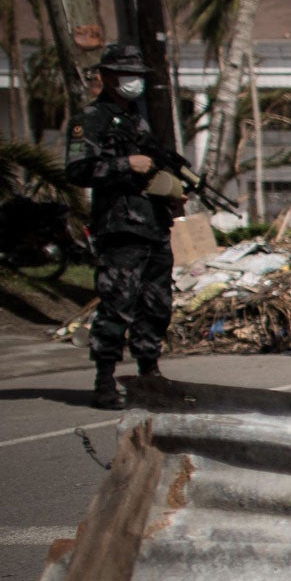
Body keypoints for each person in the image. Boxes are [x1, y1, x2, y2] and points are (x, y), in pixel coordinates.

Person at [65, 45, 177, 409]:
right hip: (121, 228)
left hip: (154, 226)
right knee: (118, 305)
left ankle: (149, 372)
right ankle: (105, 379)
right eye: (130, 75)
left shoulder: (137, 120)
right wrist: (124, 164)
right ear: (109, 76)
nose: (136, 82)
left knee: (156, 305)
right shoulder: (91, 119)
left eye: (139, 76)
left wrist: (173, 192)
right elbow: (78, 171)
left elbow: (154, 168)